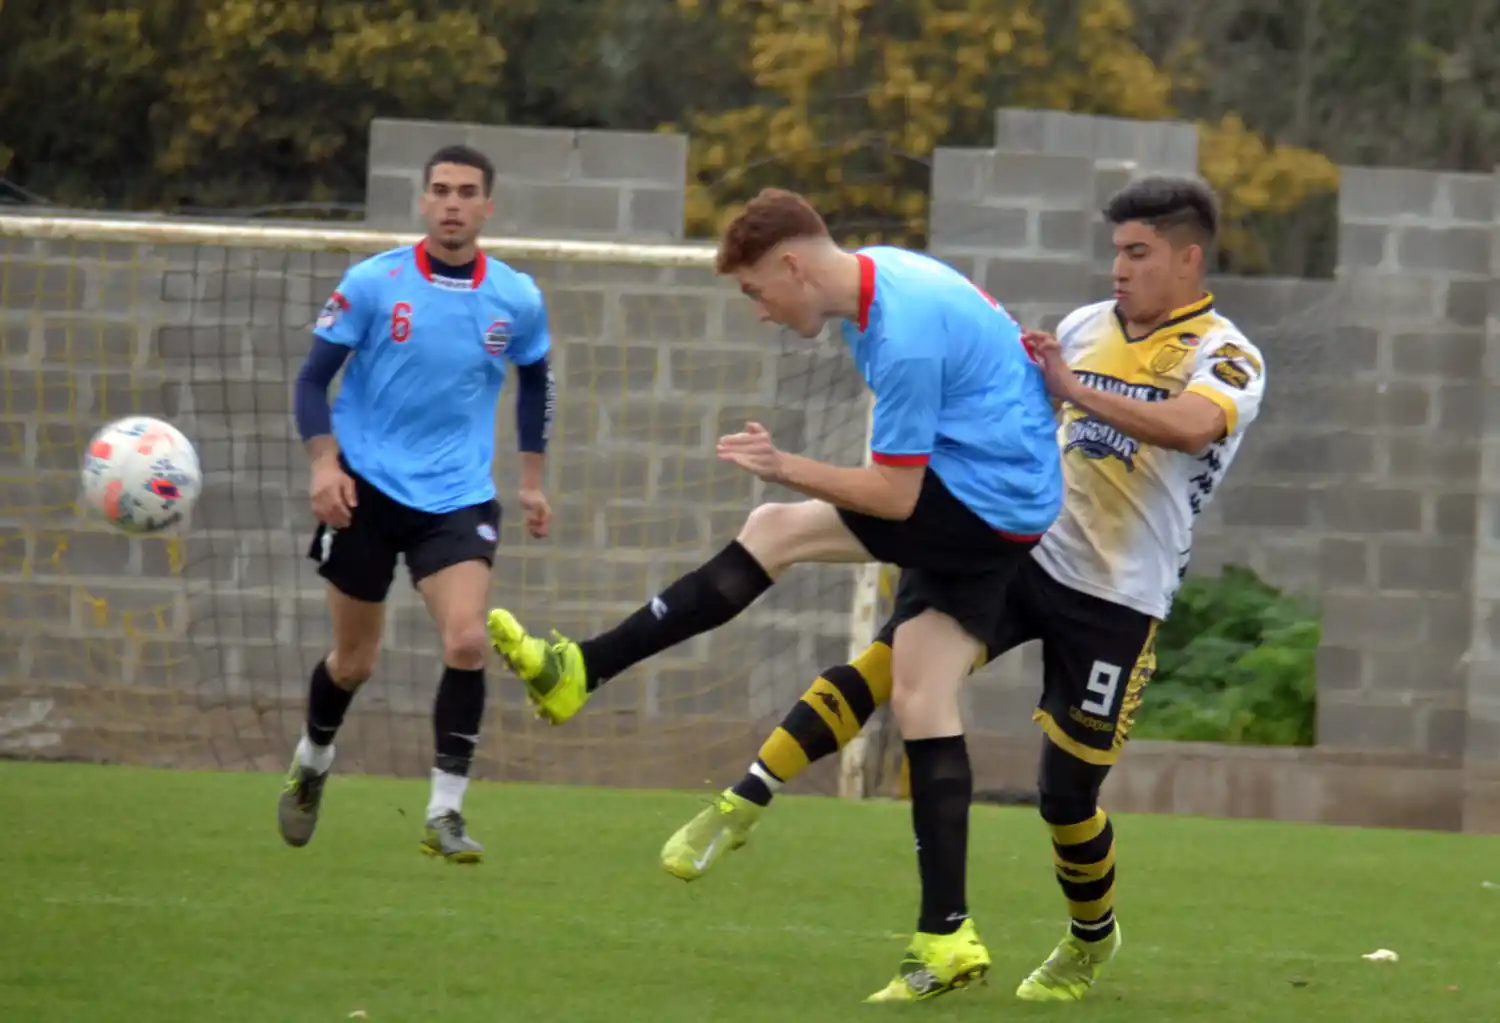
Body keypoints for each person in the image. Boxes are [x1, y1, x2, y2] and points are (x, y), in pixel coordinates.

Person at [658, 175, 1267, 1003]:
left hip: (1119, 596)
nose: (1118, 268)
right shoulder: (1086, 327)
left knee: (1066, 794)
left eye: (1138, 252)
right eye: (1116, 251)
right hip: (1025, 554)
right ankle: (744, 800)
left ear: (1188, 257)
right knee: (896, 668)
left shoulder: (1226, 353)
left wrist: (1075, 389)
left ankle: (1091, 937)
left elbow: (1193, 426)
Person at [487, 187, 1063, 1001]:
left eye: (756, 290)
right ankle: (948, 936)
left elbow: (894, 499)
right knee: (924, 695)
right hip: (1004, 497)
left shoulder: (896, 333)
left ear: (792, 264)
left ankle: (581, 667)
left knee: (776, 526)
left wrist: (787, 464)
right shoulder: (885, 289)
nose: (758, 311)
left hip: (985, 502)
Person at [278, 143, 556, 863]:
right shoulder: (374, 284)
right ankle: (312, 761)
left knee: (467, 639)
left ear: (488, 206)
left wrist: (530, 479)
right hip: (364, 490)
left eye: (468, 191)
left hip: (458, 497)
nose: (454, 202)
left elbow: (534, 382)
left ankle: (445, 811)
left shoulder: (516, 298)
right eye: (442, 190)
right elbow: (312, 382)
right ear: (424, 201)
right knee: (354, 660)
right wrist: (323, 464)